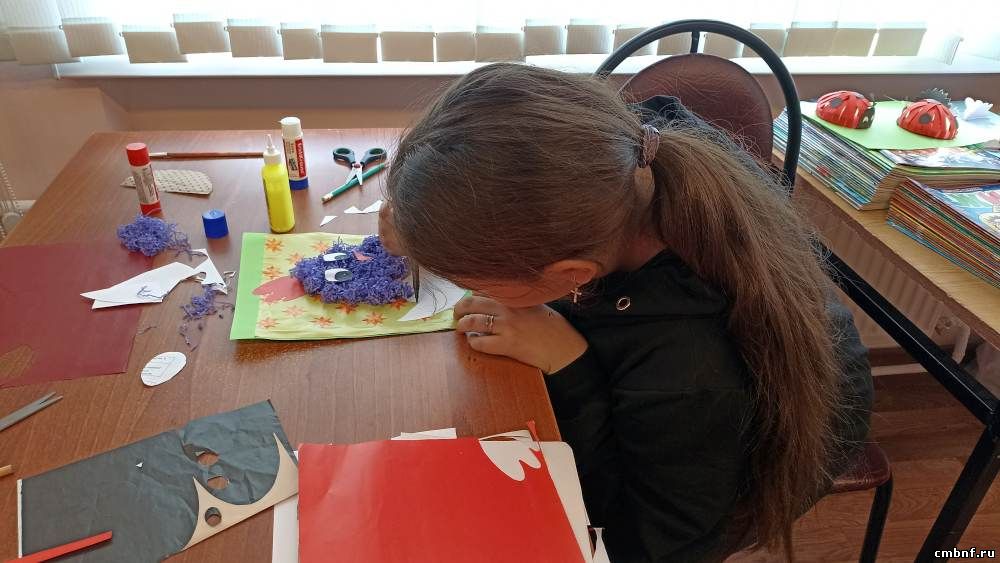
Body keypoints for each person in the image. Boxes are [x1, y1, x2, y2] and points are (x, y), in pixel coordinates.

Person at [379, 63, 873, 562]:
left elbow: (644, 543)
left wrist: (571, 366)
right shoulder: (627, 159)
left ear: (573, 275)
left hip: (736, 479)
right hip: (686, 428)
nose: (468, 289)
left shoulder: (688, 371)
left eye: (472, 279)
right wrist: (420, 227)